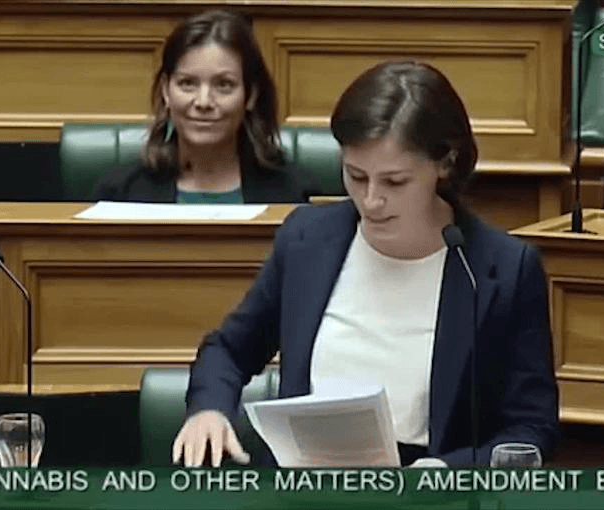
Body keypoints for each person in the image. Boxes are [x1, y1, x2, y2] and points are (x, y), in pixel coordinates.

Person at [172, 60, 559, 468]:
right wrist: (208, 410)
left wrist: (450, 471)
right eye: (356, 176)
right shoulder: (307, 240)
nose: (371, 201)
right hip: (303, 487)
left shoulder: (503, 268)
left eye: (395, 182)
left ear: (445, 164)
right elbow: (228, 350)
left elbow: (531, 429)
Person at [94, 10, 315, 203]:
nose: (203, 102)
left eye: (224, 85)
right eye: (187, 83)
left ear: (250, 95)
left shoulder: (296, 192)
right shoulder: (119, 192)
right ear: (165, 91)